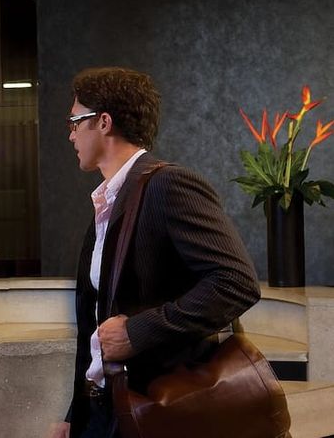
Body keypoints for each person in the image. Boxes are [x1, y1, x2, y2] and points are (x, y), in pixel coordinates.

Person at [50, 67, 260, 438]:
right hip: (105, 407)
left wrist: (136, 332)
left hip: (157, 407)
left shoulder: (168, 184)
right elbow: (96, 321)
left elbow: (236, 282)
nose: (70, 134)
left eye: (75, 122)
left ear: (104, 122)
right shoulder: (109, 202)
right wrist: (75, 416)